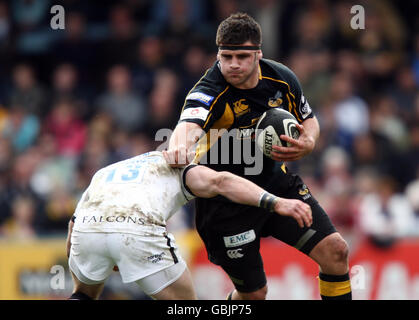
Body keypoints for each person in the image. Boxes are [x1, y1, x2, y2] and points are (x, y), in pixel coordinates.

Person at [167, 12, 351, 300]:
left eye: (242, 56)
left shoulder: (281, 78)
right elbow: (187, 127)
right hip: (225, 205)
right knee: (254, 295)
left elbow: (309, 119)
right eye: (226, 56)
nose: (233, 64)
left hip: (275, 184)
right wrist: (178, 146)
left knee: (336, 251)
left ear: (258, 54)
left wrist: (309, 141)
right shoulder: (208, 91)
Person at [66, 150, 312, 300]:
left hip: (87, 229)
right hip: (136, 227)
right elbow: (220, 182)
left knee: (83, 296)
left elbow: (72, 225)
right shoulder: (179, 167)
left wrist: (89, 259)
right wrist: (276, 202)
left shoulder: (108, 170)